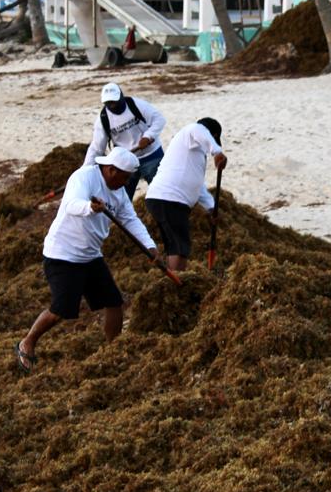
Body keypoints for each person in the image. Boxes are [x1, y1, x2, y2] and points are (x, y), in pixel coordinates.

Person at [15, 147, 159, 374]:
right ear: (111, 170)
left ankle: (114, 350)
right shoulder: (84, 177)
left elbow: (130, 220)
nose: (126, 183)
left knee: (114, 302)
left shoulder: (119, 193)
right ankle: (28, 341)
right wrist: (89, 207)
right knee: (61, 309)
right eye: (125, 178)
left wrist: (149, 246)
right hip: (62, 254)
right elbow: (71, 204)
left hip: (91, 255)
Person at [145, 118, 227, 272]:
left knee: (175, 245)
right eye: (213, 137)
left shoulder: (194, 152)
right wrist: (216, 151)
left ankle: (172, 279)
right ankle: (176, 282)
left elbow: (198, 186)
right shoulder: (192, 131)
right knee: (180, 246)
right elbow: (199, 129)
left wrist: (211, 208)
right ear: (211, 134)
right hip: (169, 198)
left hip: (167, 199)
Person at [83, 82, 166, 199]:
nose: (112, 105)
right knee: (122, 198)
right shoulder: (103, 119)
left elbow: (159, 119)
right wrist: (85, 171)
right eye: (108, 103)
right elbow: (96, 148)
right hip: (124, 163)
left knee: (163, 191)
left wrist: (148, 136)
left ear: (121, 96)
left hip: (151, 155)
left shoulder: (136, 105)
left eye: (114, 101)